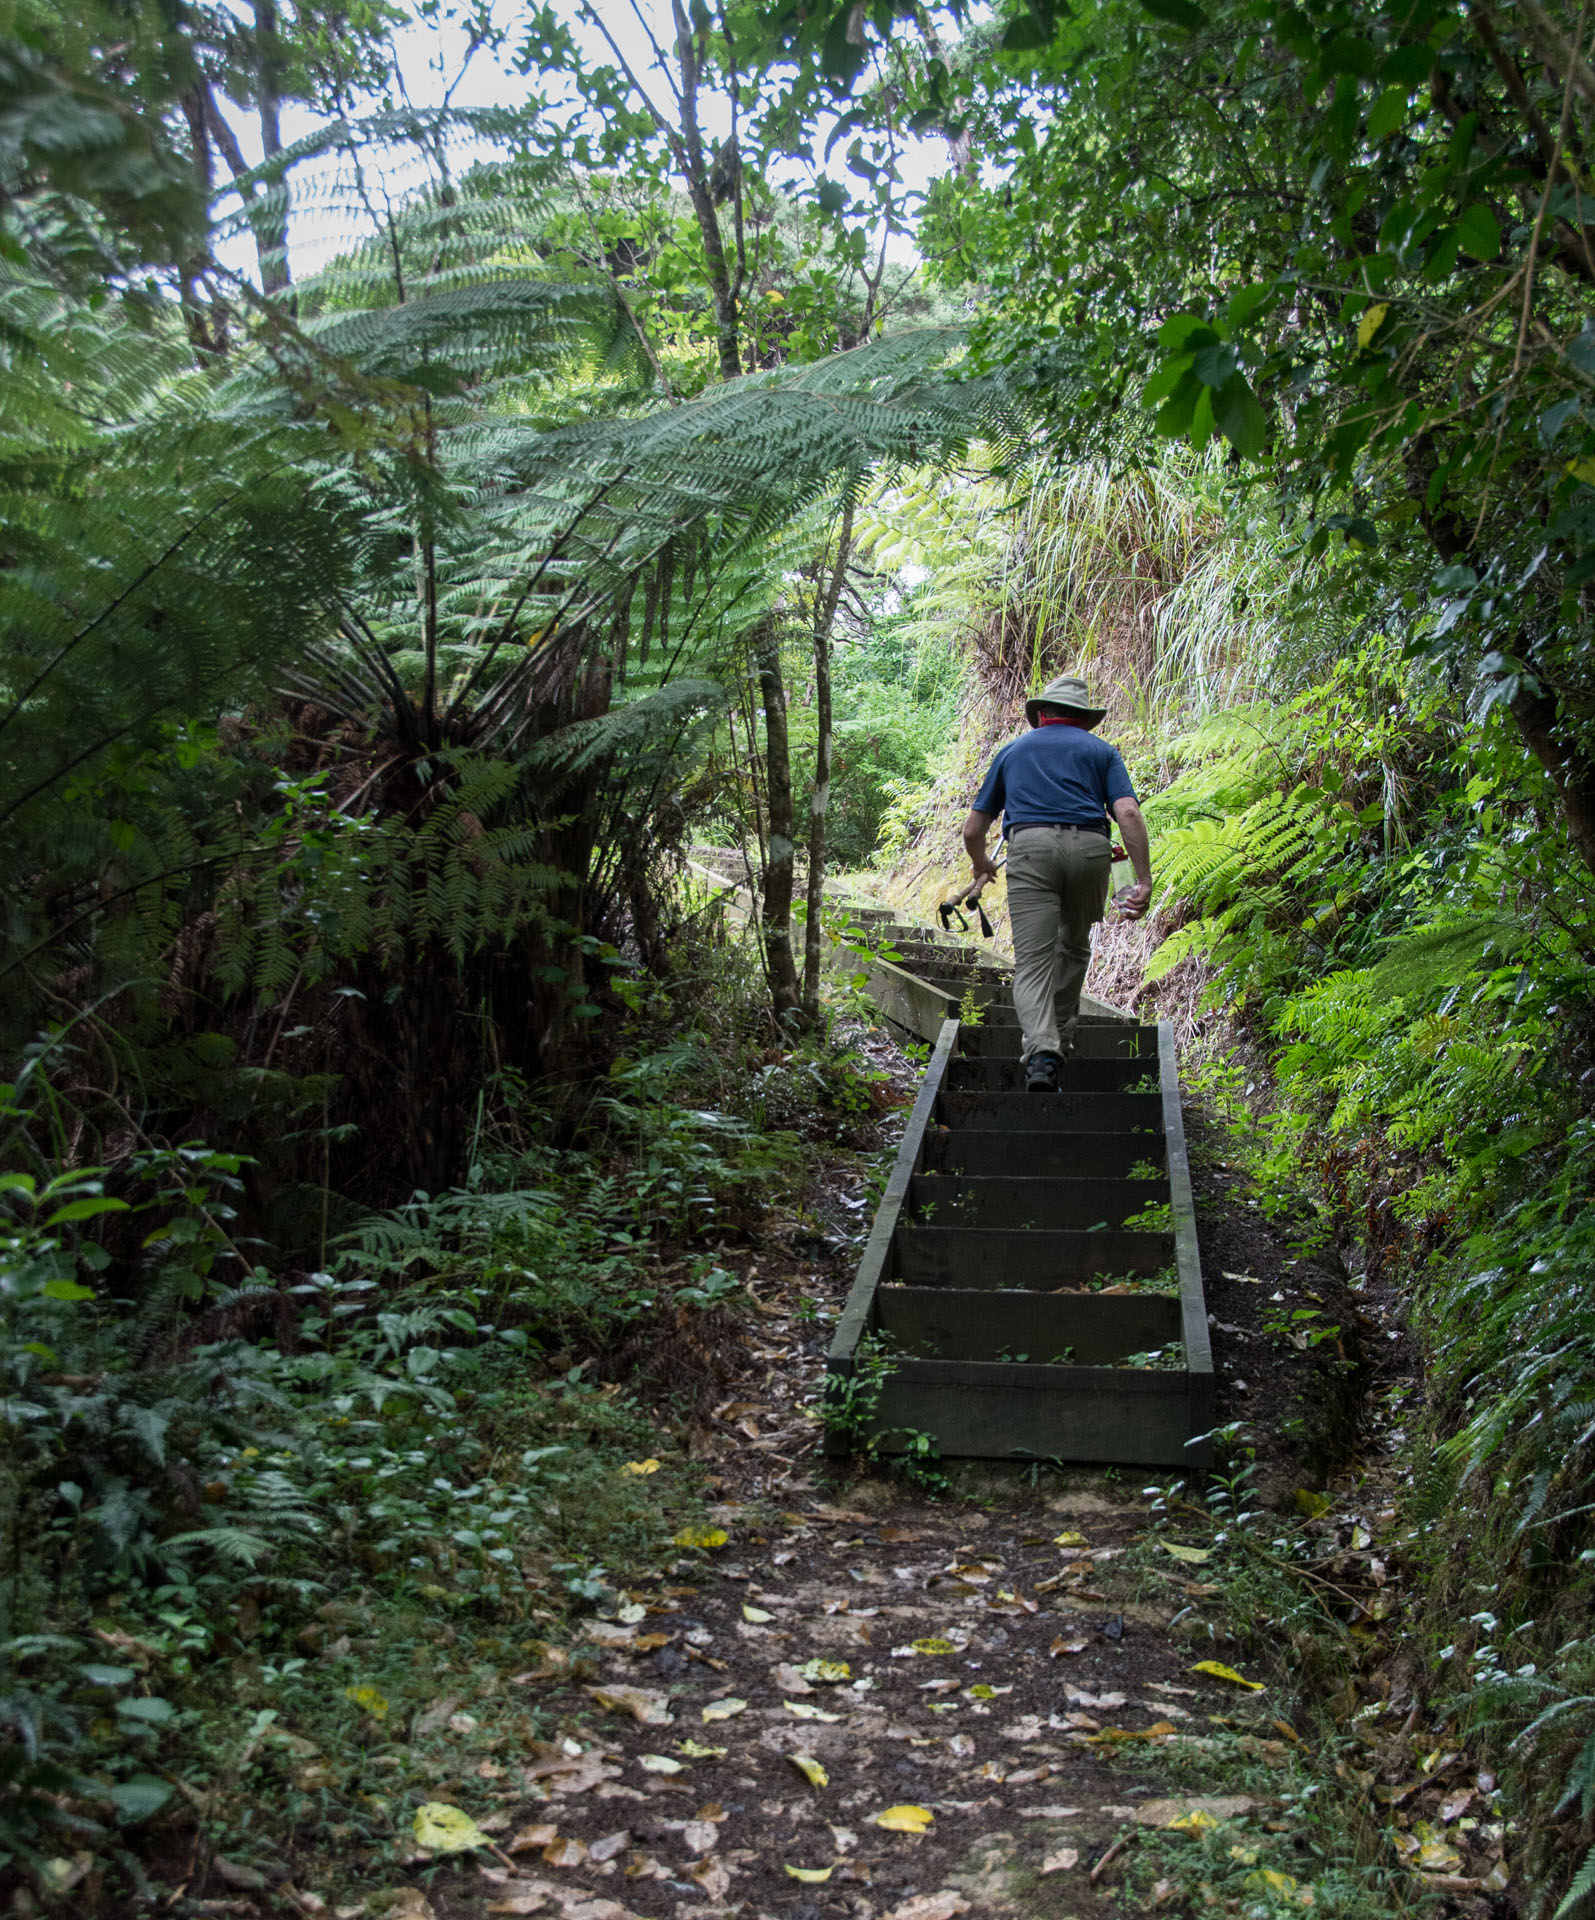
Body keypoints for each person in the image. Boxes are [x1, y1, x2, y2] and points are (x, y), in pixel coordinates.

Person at [961, 674, 1153, 1092]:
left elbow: (974, 829)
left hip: (1031, 849)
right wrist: (1143, 879)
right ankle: (1060, 1040)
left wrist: (982, 864)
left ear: (1042, 714)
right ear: (1085, 720)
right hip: (1090, 849)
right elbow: (1129, 814)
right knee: (1073, 945)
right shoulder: (1103, 752)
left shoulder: (1012, 751)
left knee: (1033, 960)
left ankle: (1043, 1049)